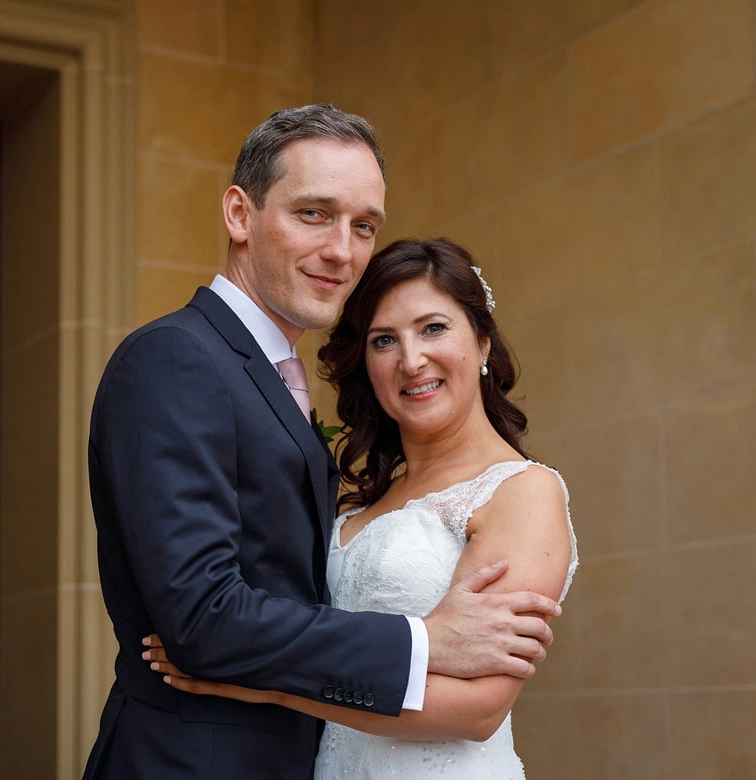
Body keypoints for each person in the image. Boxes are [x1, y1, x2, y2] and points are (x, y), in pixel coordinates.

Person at [81, 106, 562, 780]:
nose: (344, 250)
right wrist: (424, 640)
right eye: (314, 213)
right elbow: (200, 614)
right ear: (240, 215)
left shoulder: (276, 380)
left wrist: (278, 688)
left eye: (364, 224)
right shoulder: (178, 359)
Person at [144, 237, 579, 778]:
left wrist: (266, 687)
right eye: (383, 341)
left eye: (433, 328)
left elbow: (478, 708)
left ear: (484, 342)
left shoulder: (523, 490)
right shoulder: (363, 501)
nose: (411, 360)